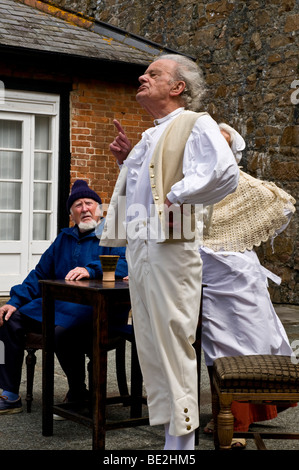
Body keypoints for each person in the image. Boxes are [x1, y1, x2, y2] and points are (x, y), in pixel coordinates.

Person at [100, 54, 240, 450]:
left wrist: (175, 197)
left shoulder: (197, 123)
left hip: (172, 246)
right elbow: (147, 185)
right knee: (149, 340)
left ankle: (182, 446)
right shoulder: (151, 134)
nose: (143, 77)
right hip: (142, 246)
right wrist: (126, 162)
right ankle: (171, 439)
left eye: (154, 74)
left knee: (172, 341)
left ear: (178, 87)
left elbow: (222, 172)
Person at [201, 123, 296, 448]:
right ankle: (230, 415)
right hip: (209, 278)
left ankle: (239, 420)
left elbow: (277, 200)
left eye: (224, 144)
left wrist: (236, 235)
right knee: (220, 347)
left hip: (239, 275)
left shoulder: (240, 182)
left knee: (252, 340)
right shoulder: (197, 182)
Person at [0, 179, 128, 414]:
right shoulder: (64, 239)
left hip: (95, 309)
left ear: (99, 209)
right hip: (57, 306)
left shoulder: (113, 234)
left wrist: (91, 269)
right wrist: (14, 301)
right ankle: (9, 393)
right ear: (72, 214)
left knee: (62, 331)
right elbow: (39, 274)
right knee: (10, 319)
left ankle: (78, 390)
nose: (84, 209)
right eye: (78, 205)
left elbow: (126, 266)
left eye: (89, 203)